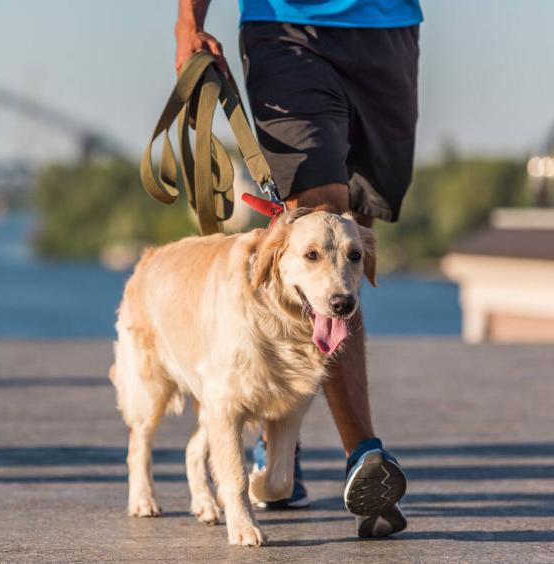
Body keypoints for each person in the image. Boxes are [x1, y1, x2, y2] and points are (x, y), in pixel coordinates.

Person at [174, 0, 421, 538]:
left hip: (388, 26)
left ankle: (279, 424)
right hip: (285, 27)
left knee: (353, 230)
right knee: (322, 218)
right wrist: (189, 20)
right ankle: (363, 453)